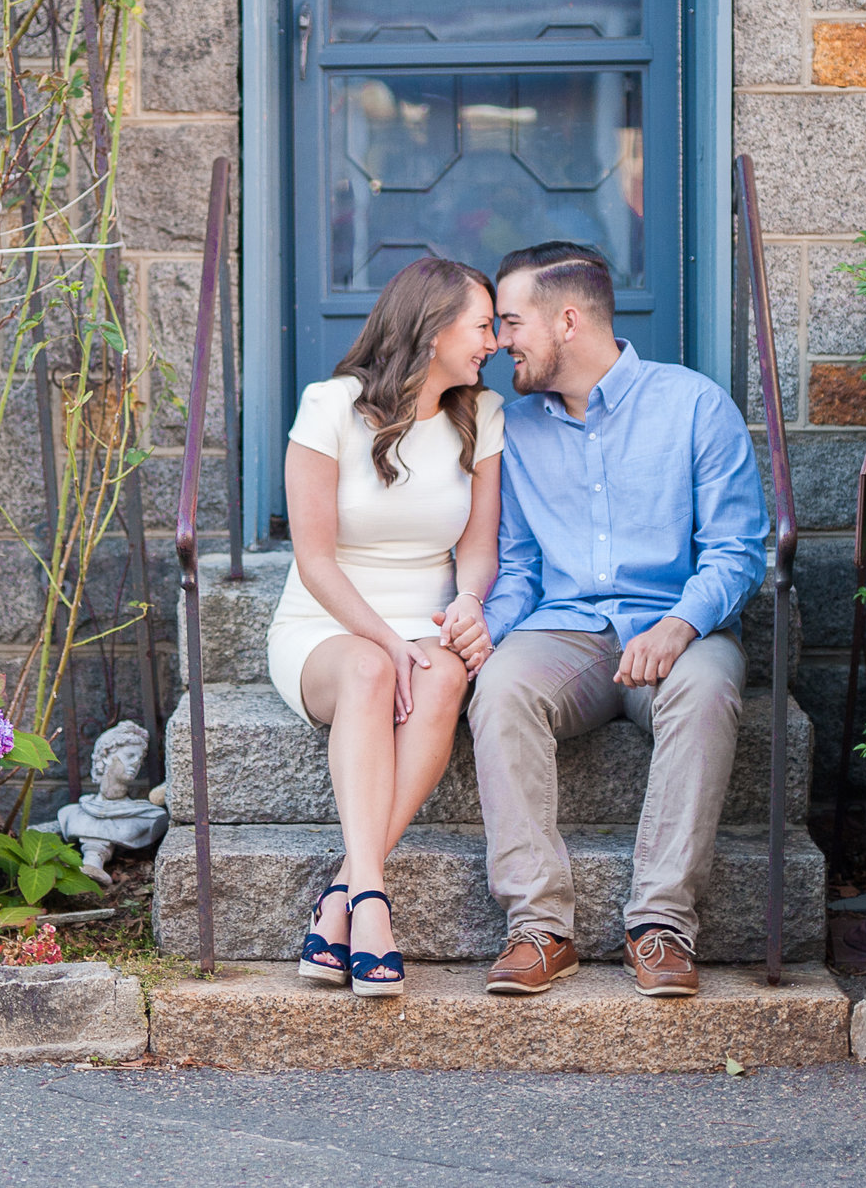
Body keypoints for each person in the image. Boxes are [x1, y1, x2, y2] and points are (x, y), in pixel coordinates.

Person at [443, 241, 768, 999]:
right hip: (566, 631)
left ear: (567, 319)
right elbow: (519, 563)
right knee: (502, 687)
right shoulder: (514, 429)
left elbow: (736, 551)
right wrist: (489, 625)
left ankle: (660, 925)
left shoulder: (693, 405)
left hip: (678, 628)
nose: (499, 343)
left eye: (512, 322)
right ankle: (538, 926)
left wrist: (682, 624)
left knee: (709, 690)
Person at [268, 256, 503, 999]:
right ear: (433, 329)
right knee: (373, 671)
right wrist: (385, 639)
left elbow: (477, 548)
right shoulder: (328, 406)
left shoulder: (482, 415)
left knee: (445, 676)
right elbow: (313, 558)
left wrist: (466, 602)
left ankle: (342, 892)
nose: (494, 340)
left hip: (425, 621)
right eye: (482, 323)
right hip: (326, 620)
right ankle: (370, 901)